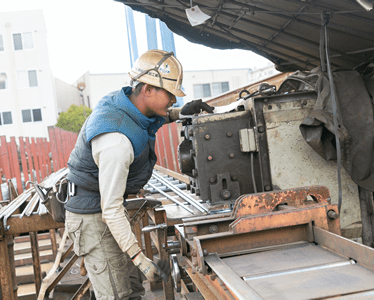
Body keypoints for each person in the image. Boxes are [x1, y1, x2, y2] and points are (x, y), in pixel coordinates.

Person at [64, 49, 214, 299]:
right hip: (93, 217)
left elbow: (145, 119)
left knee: (131, 290)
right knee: (116, 295)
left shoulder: (126, 104)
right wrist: (140, 259)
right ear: (147, 90)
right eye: (170, 95)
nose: (173, 101)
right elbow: (110, 209)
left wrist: (181, 113)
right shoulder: (116, 141)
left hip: (103, 209)